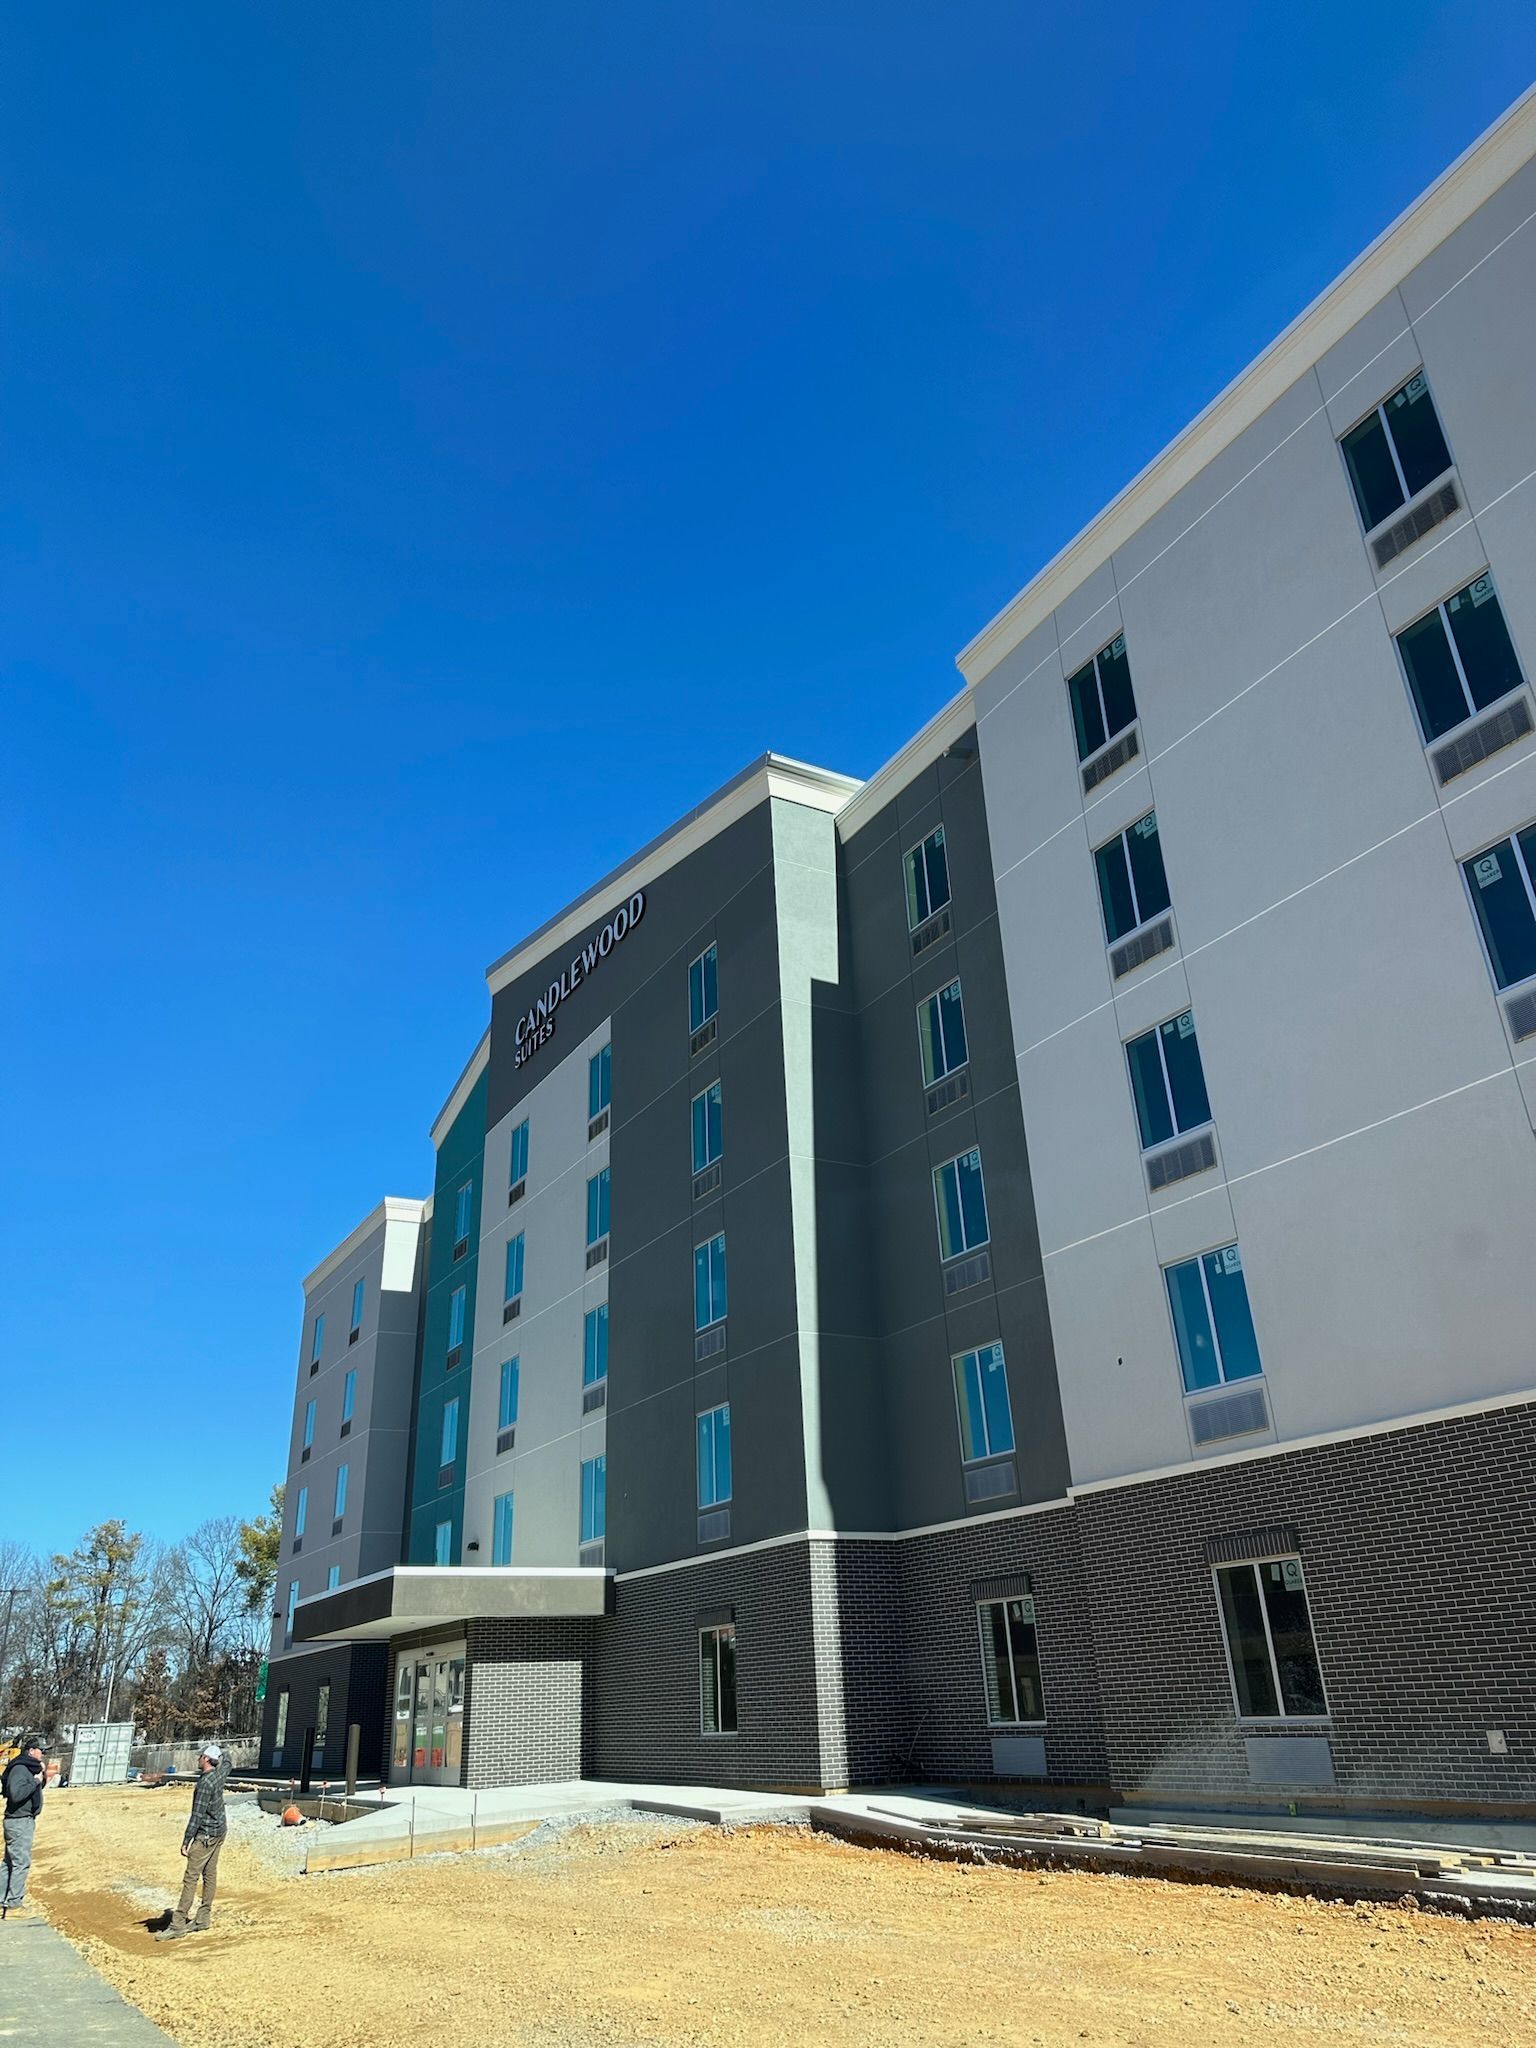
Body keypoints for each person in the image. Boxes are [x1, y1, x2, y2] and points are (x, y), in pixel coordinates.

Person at [156, 1741, 229, 1940]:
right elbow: (228, 1762)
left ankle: (178, 1923)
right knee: (210, 1874)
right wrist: (222, 1751)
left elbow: (197, 1815)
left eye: (200, 1756)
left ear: (206, 1759)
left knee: (191, 1878)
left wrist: (186, 1840)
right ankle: (203, 1918)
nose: (198, 1759)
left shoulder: (205, 1783)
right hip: (219, 1832)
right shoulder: (219, 1775)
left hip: (205, 1836)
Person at [2, 1734, 47, 1919]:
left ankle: (2, 1902)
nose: (43, 1754)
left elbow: (32, 1789)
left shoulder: (27, 1768)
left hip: (20, 1821)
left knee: (10, 1863)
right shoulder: (21, 1769)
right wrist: (35, 1780)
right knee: (20, 1863)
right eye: (41, 1751)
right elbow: (17, 1794)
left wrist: (41, 1778)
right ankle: (14, 1906)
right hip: (19, 1822)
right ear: (31, 1751)